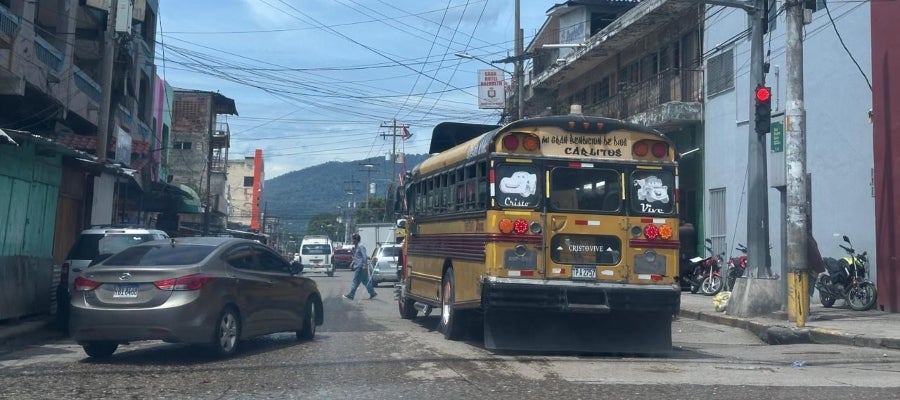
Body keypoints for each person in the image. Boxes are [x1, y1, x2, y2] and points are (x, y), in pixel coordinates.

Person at [343, 233, 377, 300]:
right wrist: (352, 262)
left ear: (356, 239)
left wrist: (364, 265)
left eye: (353, 239)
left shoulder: (361, 246)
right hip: (359, 266)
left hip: (360, 266)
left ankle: (351, 295)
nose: (352, 240)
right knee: (365, 281)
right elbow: (357, 257)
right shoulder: (356, 247)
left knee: (355, 281)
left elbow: (364, 256)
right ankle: (372, 293)